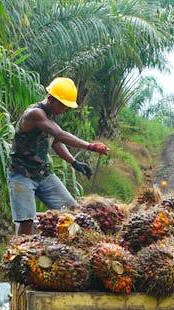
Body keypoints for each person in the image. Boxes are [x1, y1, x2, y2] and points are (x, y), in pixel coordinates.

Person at [9, 77, 109, 235]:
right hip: (21, 175)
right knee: (26, 220)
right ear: (50, 99)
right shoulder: (35, 113)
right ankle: (20, 253)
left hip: (43, 174)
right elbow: (60, 135)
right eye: (62, 105)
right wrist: (90, 146)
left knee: (72, 211)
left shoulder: (49, 116)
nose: (64, 109)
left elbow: (55, 142)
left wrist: (74, 162)